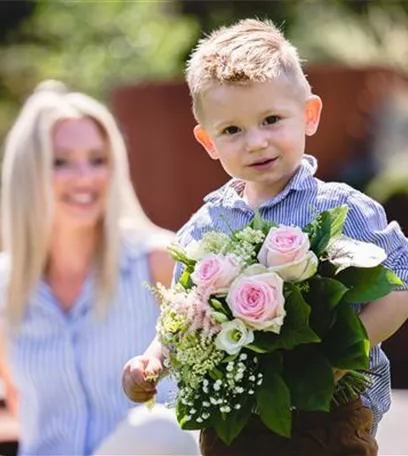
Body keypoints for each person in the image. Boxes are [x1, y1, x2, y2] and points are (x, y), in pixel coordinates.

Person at [122, 19, 408, 456]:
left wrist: (343, 354)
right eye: (232, 130)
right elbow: (182, 316)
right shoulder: (206, 225)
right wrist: (152, 361)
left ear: (309, 115)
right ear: (208, 142)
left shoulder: (338, 207)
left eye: (271, 120)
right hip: (234, 425)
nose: (255, 142)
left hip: (326, 421)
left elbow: (400, 286)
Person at [0, 80, 178, 456]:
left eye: (98, 160)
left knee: (158, 428)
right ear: (26, 174)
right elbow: (19, 405)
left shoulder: (160, 262)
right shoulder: (4, 289)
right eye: (60, 162)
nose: (85, 177)